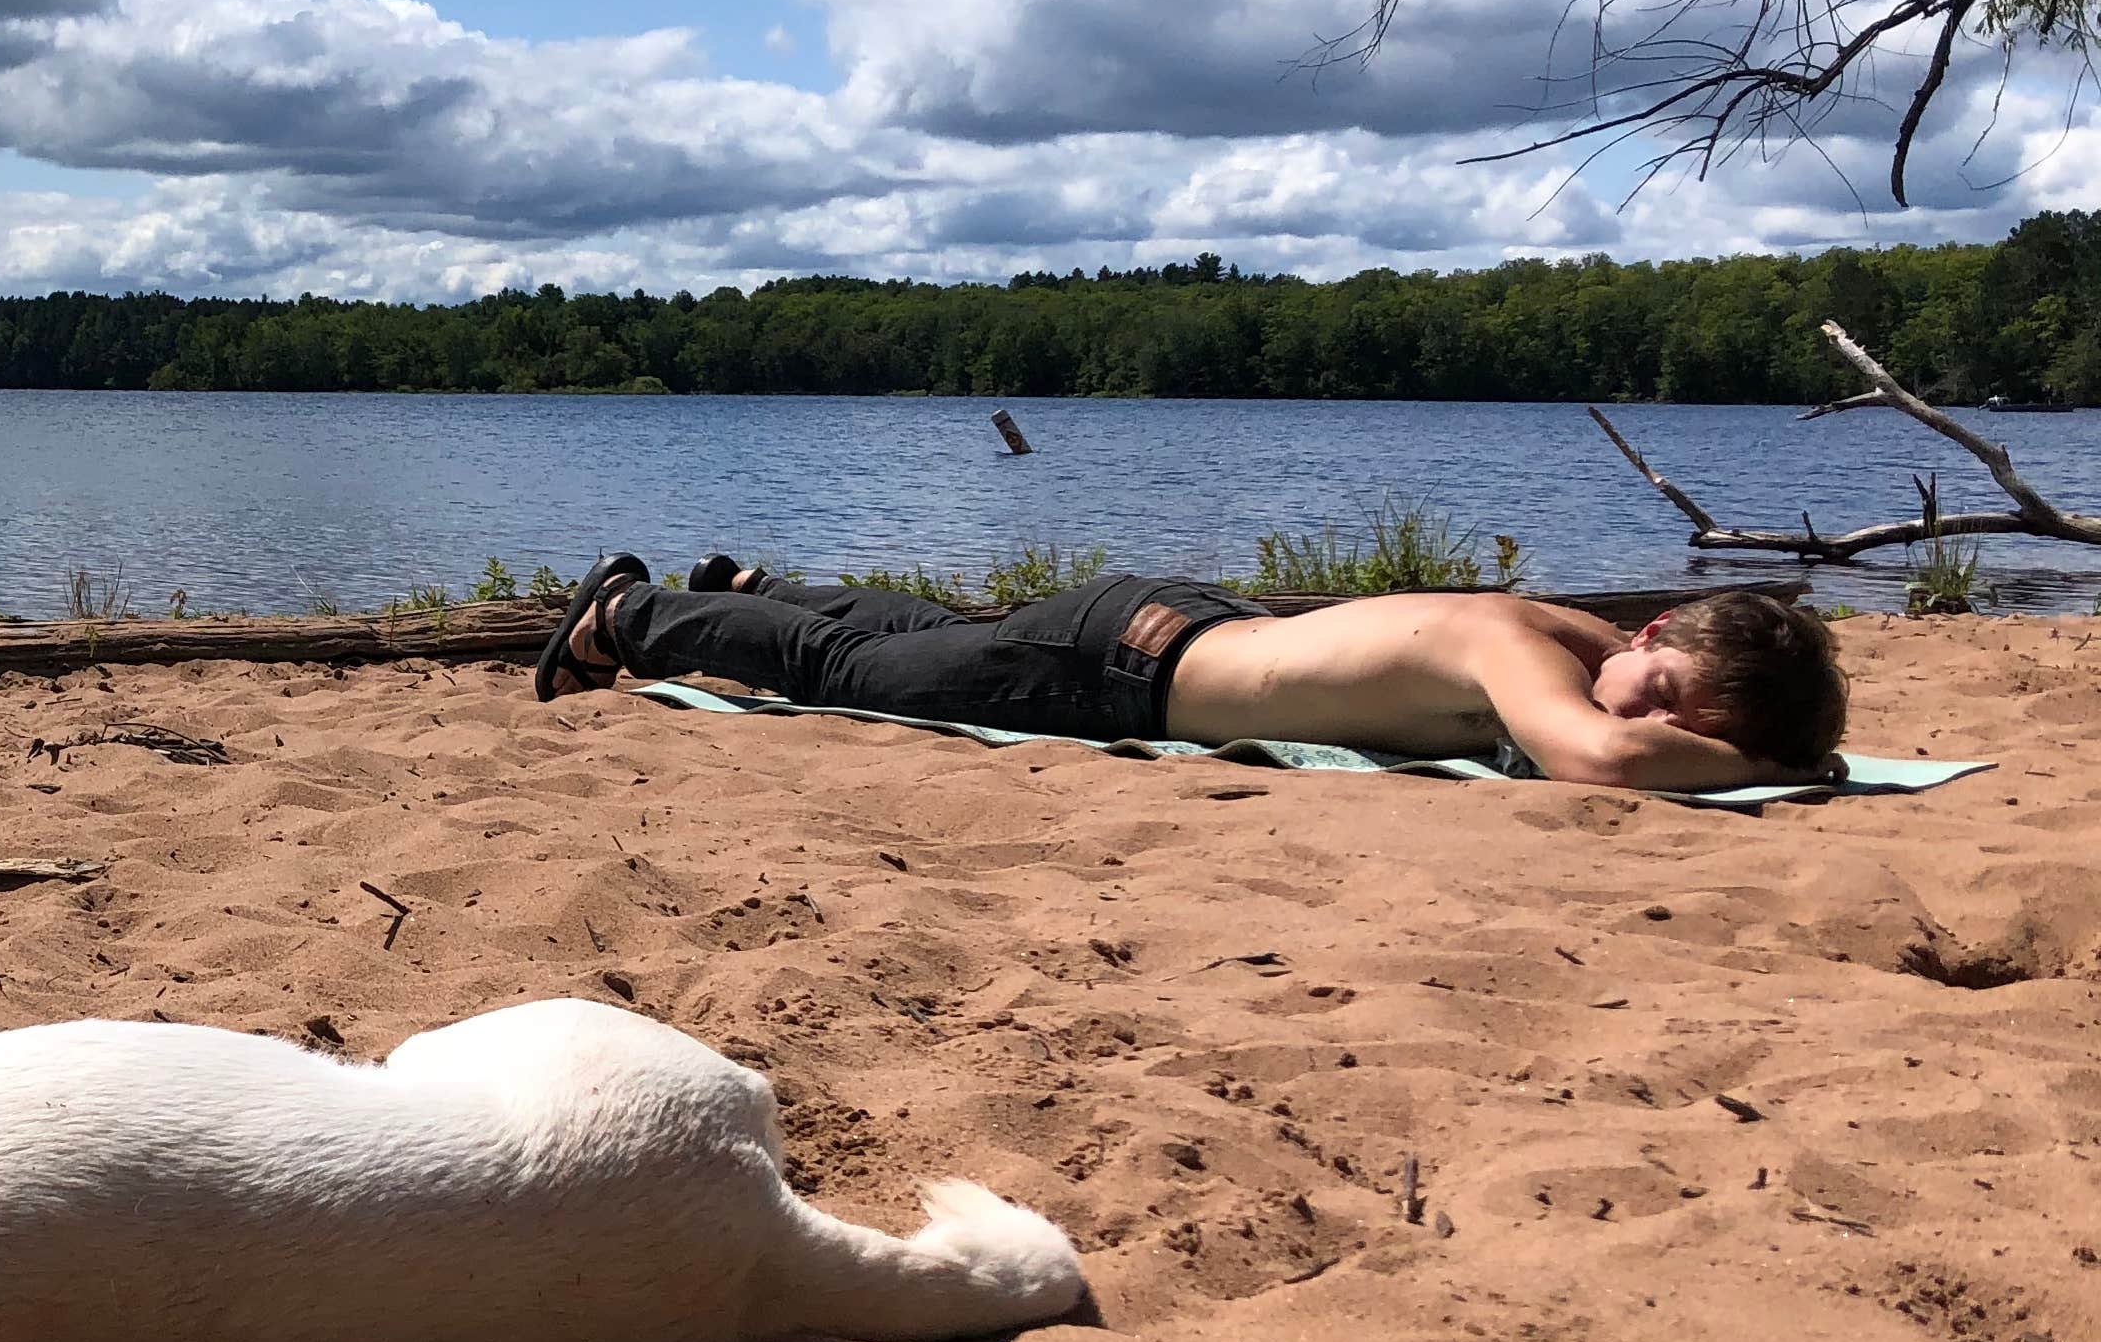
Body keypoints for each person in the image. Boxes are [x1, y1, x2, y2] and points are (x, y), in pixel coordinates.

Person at [529, 550, 1847, 791]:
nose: (1652, 718)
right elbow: (1598, 759)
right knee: (854, 674)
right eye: (1670, 694)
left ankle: (748, 588)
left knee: (918, 636)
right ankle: (630, 618)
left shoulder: (1572, 630)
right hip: (1119, 671)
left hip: (1168, 628)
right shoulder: (1525, 654)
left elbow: (1619, 725)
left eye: (1691, 728)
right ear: (1659, 638)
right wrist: (1778, 764)